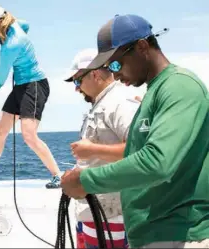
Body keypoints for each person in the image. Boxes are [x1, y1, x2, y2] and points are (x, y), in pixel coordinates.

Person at [61, 14, 209, 248]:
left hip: (179, 234)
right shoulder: (153, 93)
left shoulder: (180, 86)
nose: (115, 74)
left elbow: (157, 162)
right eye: (109, 66)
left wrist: (85, 181)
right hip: (152, 234)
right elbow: (136, 157)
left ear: (142, 47)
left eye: (116, 64)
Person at [0, 5, 62, 188]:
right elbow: (25, 25)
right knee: (0, 131)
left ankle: (58, 176)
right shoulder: (16, 25)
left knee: (28, 134)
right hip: (20, 86)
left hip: (34, 85)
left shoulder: (11, 46)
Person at [63, 49, 140, 248]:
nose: (77, 89)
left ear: (95, 74)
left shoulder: (120, 102)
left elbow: (140, 151)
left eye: (78, 81)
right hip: (91, 212)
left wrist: (92, 150)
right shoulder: (102, 103)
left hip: (110, 217)